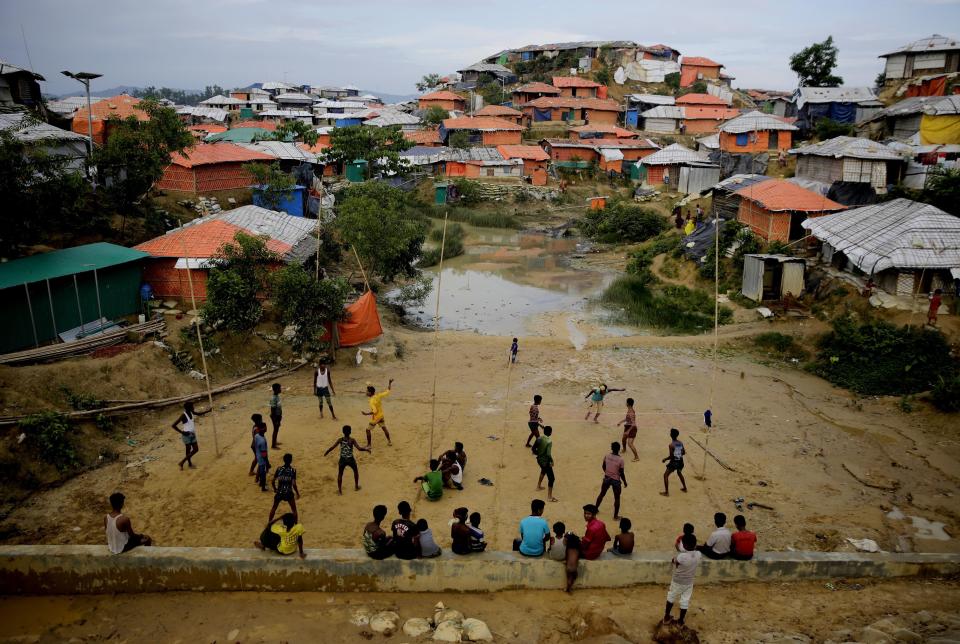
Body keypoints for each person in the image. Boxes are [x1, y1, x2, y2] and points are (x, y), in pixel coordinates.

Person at [663, 534, 701, 625]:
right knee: (685, 600)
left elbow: (674, 561)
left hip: (677, 580)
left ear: (684, 545)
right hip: (688, 582)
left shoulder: (682, 556)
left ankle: (666, 616)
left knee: (671, 596)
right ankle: (680, 621)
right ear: (695, 544)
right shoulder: (698, 554)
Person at [324, 425, 369, 495]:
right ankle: (356, 486)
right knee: (355, 471)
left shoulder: (340, 440)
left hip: (342, 459)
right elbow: (359, 448)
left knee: (340, 474)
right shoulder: (352, 440)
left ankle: (340, 491)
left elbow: (332, 447)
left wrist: (327, 452)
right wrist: (366, 449)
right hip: (351, 459)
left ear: (343, 432)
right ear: (350, 432)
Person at [171, 401, 208, 470]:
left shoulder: (191, 412)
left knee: (195, 449)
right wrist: (182, 432)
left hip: (192, 434)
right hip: (186, 435)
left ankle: (183, 462)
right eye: (192, 406)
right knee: (188, 450)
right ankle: (188, 464)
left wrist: (207, 411)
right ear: (189, 408)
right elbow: (173, 425)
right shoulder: (183, 415)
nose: (193, 407)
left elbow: (198, 413)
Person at [595, 442, 628, 520]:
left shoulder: (607, 456)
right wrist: (625, 482)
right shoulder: (621, 460)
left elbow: (603, 466)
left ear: (611, 448)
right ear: (619, 449)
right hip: (616, 480)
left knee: (602, 494)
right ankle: (615, 516)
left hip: (607, 478)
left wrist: (607, 473)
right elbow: (621, 473)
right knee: (617, 498)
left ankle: (595, 509)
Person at [268, 453, 300, 522]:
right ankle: (296, 525)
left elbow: (273, 481)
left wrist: (275, 489)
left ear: (284, 460)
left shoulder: (279, 469)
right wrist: (297, 493)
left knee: (274, 508)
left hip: (279, 492)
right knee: (294, 510)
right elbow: (294, 484)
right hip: (288, 493)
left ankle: (269, 523)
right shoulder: (293, 470)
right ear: (291, 461)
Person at [363, 378, 394, 448]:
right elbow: (388, 391)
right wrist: (389, 383)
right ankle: (389, 442)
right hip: (381, 416)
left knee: (367, 430)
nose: (366, 392)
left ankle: (369, 445)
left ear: (370, 393)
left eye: (367, 391)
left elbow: (374, 411)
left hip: (376, 418)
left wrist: (366, 414)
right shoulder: (378, 395)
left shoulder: (371, 401)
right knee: (384, 428)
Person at [533, 426, 558, 502]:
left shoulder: (539, 438)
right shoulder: (549, 441)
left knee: (543, 471)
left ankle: (538, 486)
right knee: (551, 478)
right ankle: (549, 497)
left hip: (539, 460)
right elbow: (548, 454)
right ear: (550, 432)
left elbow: (533, 449)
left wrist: (539, 454)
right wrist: (551, 461)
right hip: (545, 461)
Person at [661, 428, 688, 496]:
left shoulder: (671, 445)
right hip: (680, 461)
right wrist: (678, 454)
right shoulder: (680, 443)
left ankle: (666, 492)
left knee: (665, 475)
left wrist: (665, 459)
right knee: (679, 473)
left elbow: (672, 456)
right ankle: (685, 488)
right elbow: (684, 452)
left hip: (674, 463)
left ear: (671, 435)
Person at [253, 423, 270, 491]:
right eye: (265, 427)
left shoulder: (257, 436)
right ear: (262, 429)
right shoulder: (262, 441)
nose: (266, 428)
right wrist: (267, 463)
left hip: (258, 456)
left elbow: (255, 445)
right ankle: (263, 487)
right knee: (263, 473)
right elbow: (264, 454)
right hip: (262, 459)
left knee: (260, 470)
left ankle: (260, 483)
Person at [248, 413, 263, 477]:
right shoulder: (256, 429)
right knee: (258, 459)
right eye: (261, 419)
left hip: (254, 445)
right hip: (256, 446)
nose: (262, 420)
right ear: (258, 420)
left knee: (257, 458)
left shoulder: (255, 426)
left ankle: (251, 471)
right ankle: (253, 472)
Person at [269, 383, 283, 449]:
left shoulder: (277, 396)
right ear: (276, 389)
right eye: (279, 388)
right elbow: (272, 411)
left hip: (278, 416)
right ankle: (273, 445)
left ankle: (275, 442)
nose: (281, 389)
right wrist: (275, 420)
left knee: (276, 429)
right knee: (275, 429)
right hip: (275, 416)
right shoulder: (273, 398)